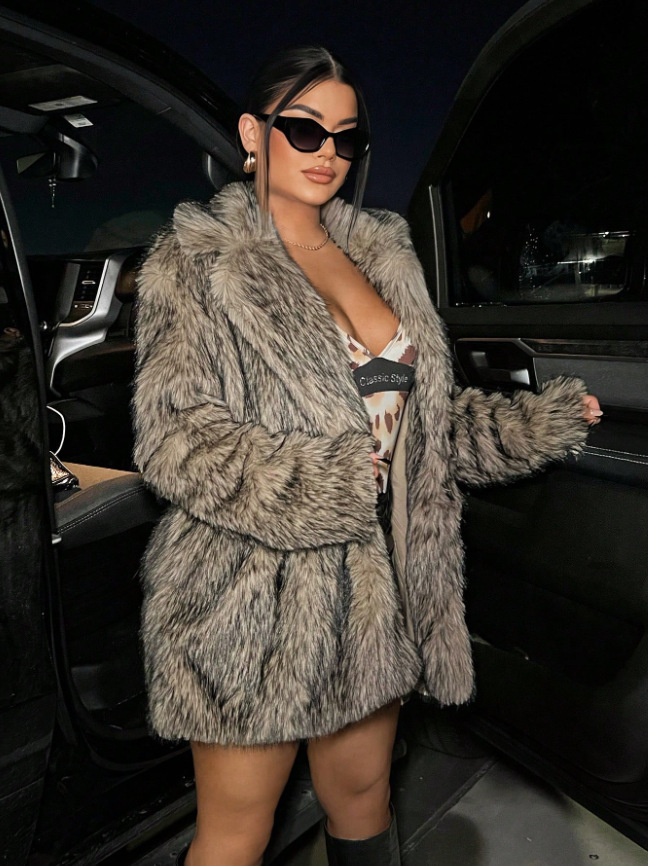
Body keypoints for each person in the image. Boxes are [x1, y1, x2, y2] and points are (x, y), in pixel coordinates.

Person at [132, 44, 602, 866]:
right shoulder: (196, 261)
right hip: (252, 596)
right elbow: (173, 438)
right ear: (253, 133)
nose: (328, 153)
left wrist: (540, 424)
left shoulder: (383, 254)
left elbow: (419, 429)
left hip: (374, 593)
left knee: (363, 800)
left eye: (345, 138)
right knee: (236, 836)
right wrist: (334, 481)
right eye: (305, 130)